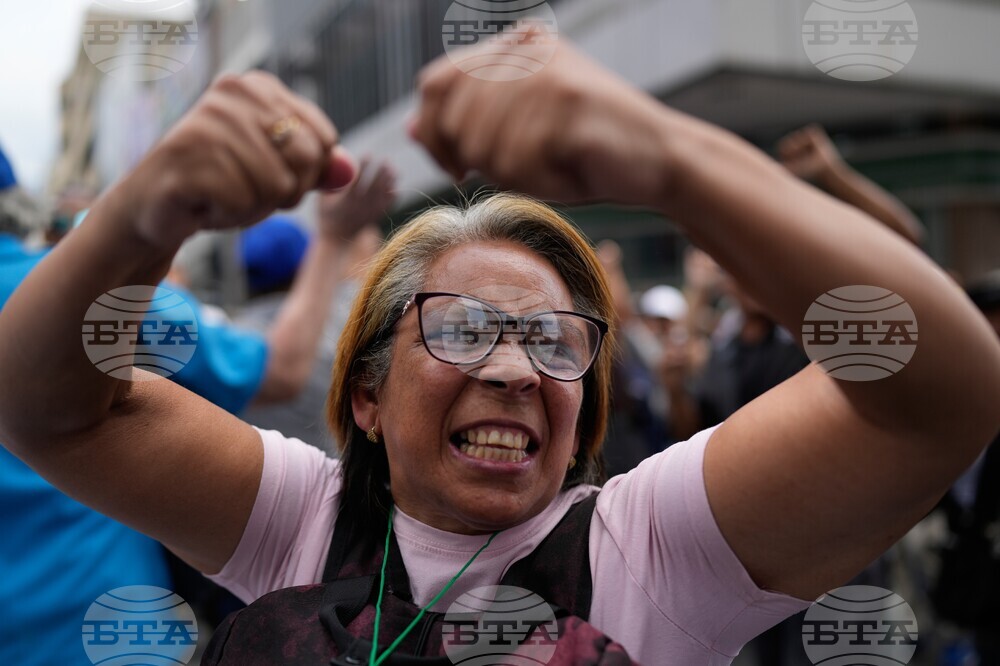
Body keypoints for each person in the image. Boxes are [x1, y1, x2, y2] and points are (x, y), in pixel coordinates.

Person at [0, 40, 997, 666]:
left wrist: (673, 161)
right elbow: (49, 411)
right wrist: (139, 215)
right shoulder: (301, 520)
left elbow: (940, 396)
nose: (515, 370)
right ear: (366, 396)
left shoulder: (654, 544)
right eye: (462, 329)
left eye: (555, 341)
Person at [236, 158, 396, 451]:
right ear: (306, 266)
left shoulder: (234, 339)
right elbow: (363, 280)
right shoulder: (340, 319)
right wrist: (346, 233)